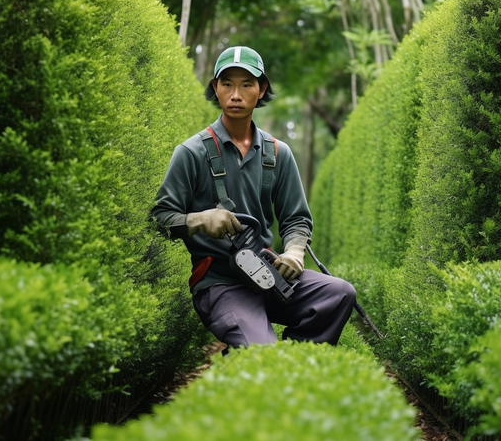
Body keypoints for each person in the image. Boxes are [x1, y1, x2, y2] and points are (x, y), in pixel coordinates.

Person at [150, 46, 356, 351]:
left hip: (267, 273)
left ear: (261, 91)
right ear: (215, 90)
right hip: (221, 284)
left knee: (340, 293)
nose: (236, 94)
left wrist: (295, 253)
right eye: (227, 84)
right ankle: (256, 368)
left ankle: (298, 370)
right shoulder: (191, 152)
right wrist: (200, 220)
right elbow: (159, 218)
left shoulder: (278, 153)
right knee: (260, 351)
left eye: (247, 84)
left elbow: (296, 218)